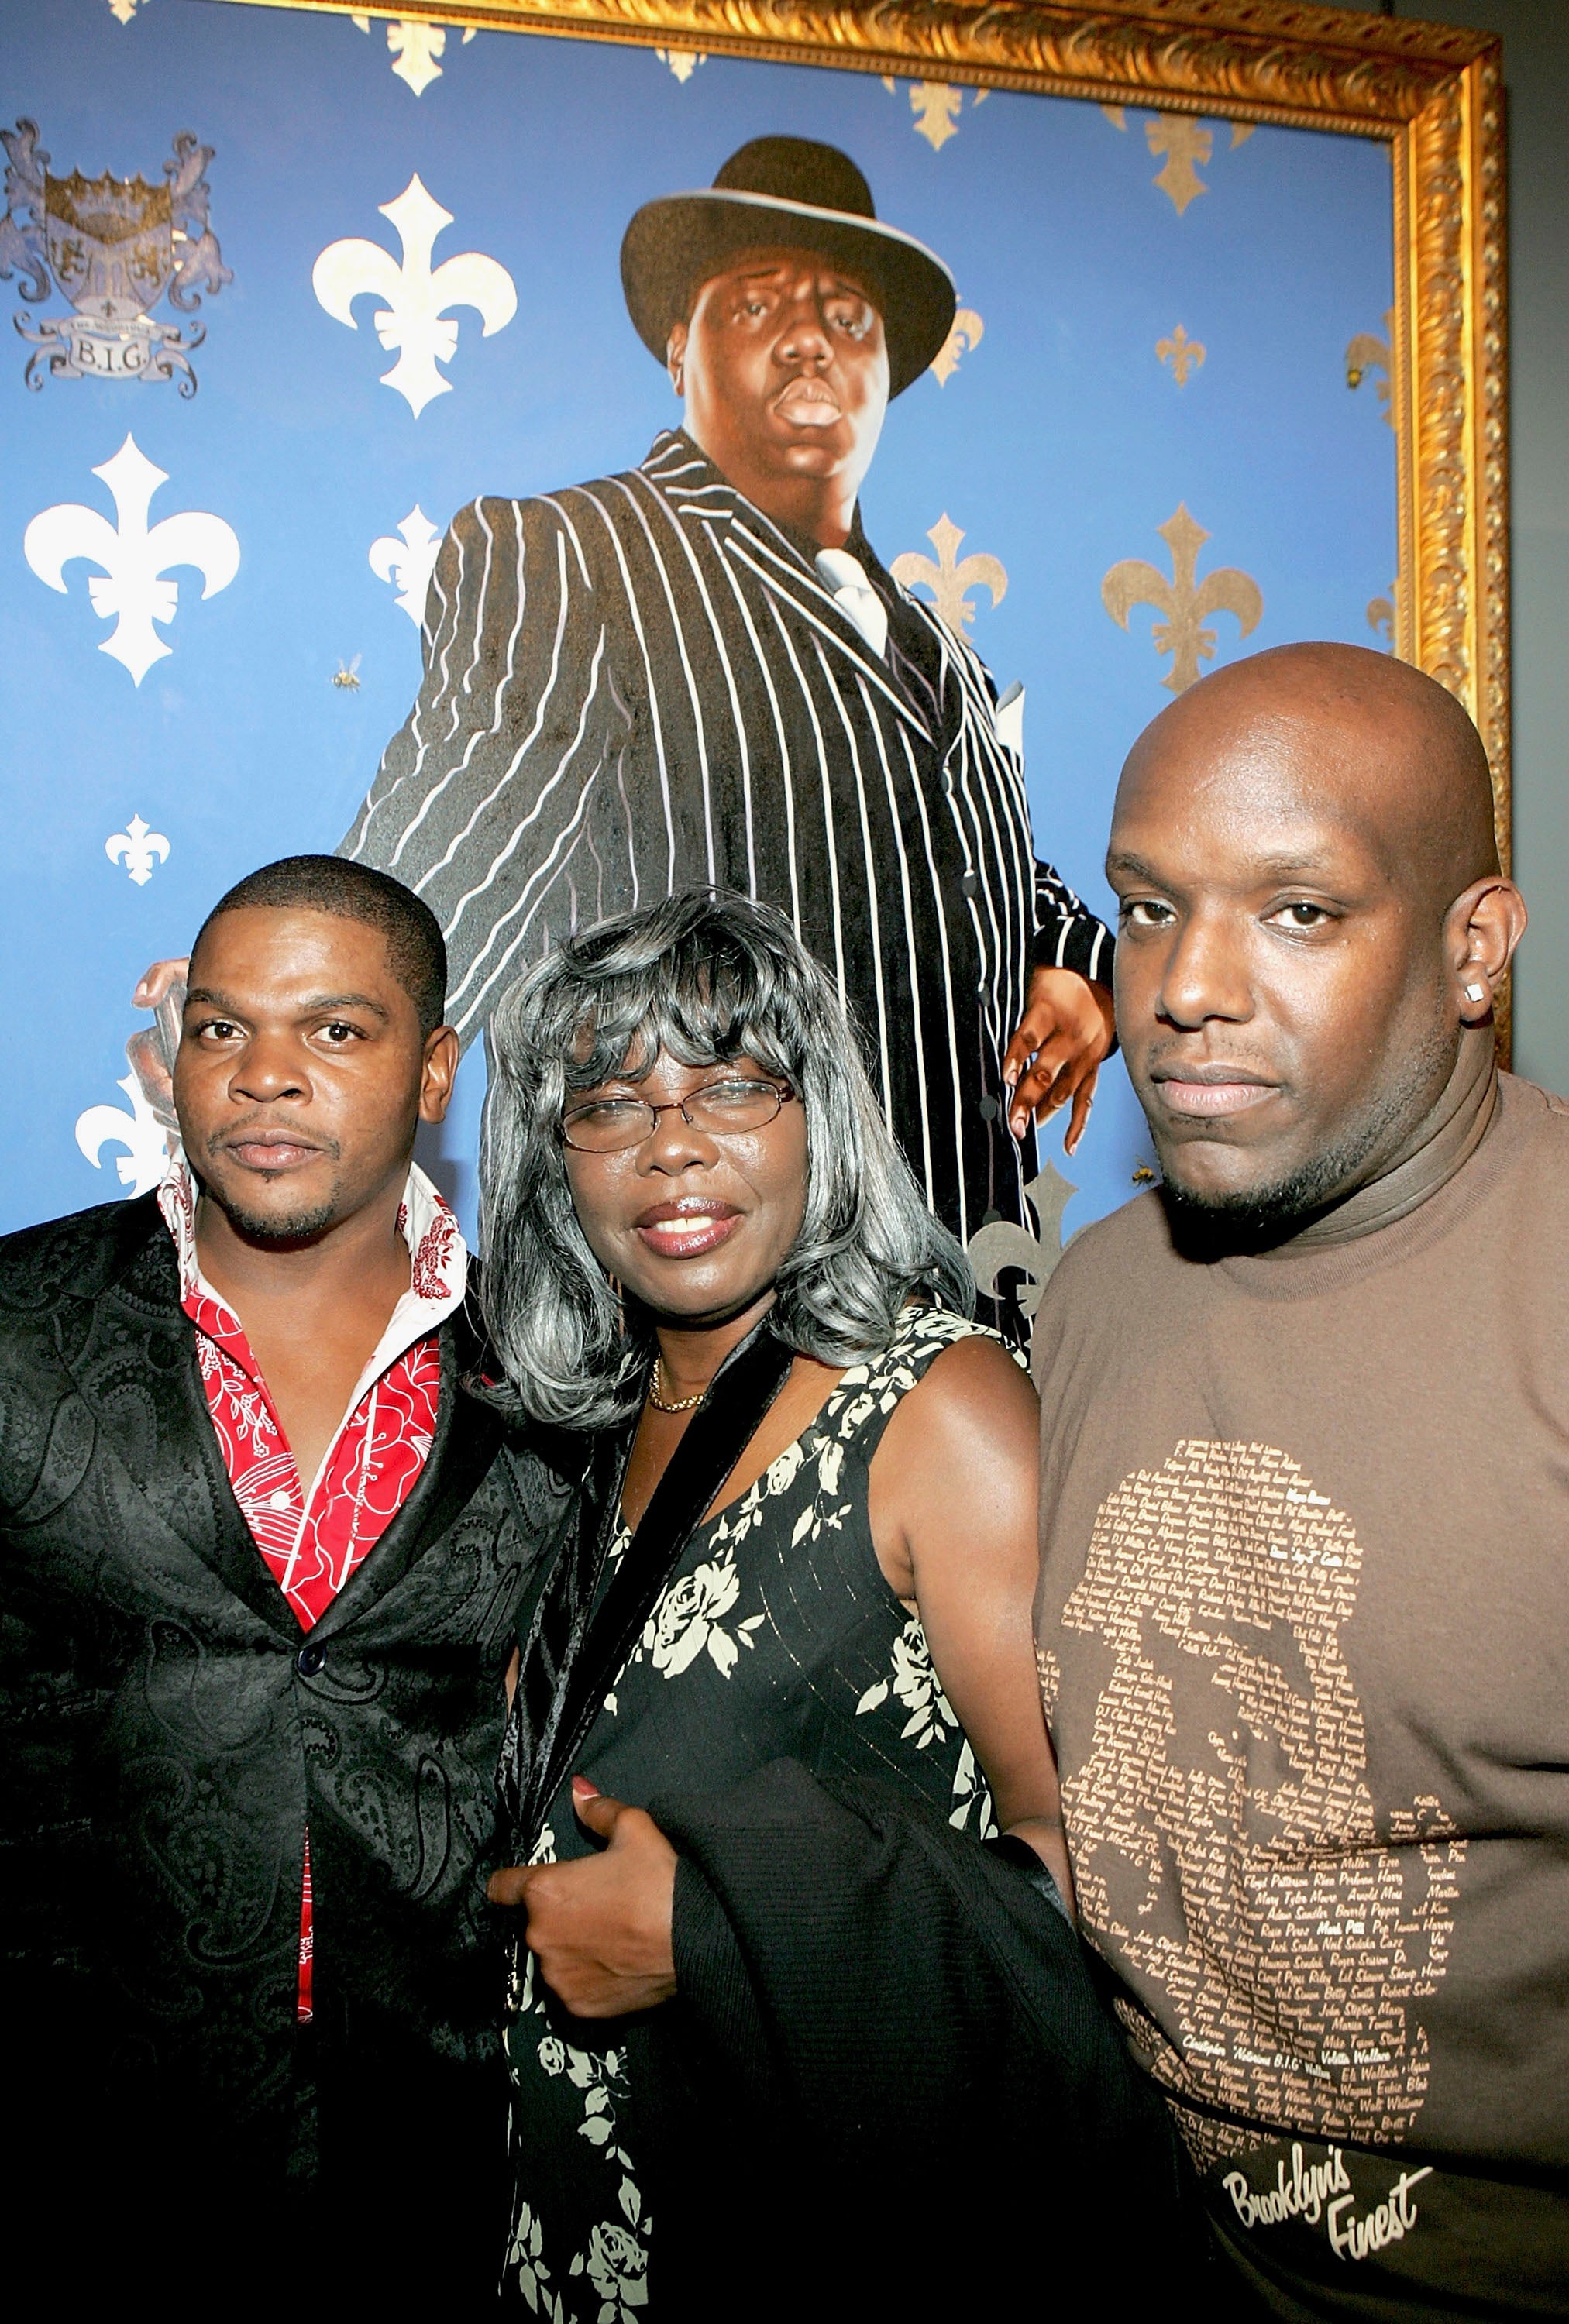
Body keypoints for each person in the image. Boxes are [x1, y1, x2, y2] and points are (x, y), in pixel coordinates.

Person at [478, 888, 1188, 2319]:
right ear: (558, 1166)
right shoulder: (595, 1432)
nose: (672, 1144)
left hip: (814, 2240)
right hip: (578, 2229)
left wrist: (723, 1932)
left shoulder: (940, 1410)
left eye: (734, 1085)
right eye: (609, 1105)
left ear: (824, 1117)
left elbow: (1111, 1884)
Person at [1032, 642, 1565, 2317]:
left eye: (1296, 914)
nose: (1181, 987)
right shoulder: (1088, 1298)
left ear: (1470, 951)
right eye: (1143, 908)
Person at [337, 132, 1114, 1251]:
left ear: (885, 370)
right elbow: (448, 874)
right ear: (675, 349)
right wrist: (311, 1004)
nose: (808, 339)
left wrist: (1076, 969)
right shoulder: (576, 557)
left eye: (847, 316)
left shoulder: (945, 652)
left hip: (970, 1304)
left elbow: (971, 872)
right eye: (756, 305)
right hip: (711, 1327)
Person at [0, 856, 573, 2297]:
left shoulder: (566, 1370)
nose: (264, 1077)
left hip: (446, 2152)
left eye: (335, 1030)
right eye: (220, 1028)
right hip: (78, 2141)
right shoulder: (12, 1323)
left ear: (435, 1070)